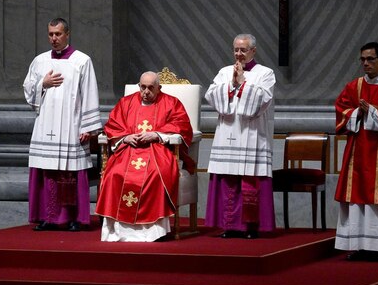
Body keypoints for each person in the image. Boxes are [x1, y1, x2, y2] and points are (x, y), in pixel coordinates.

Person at [23, 17, 102, 232]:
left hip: (71, 125)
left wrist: (87, 127)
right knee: (47, 172)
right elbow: (28, 92)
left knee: (70, 173)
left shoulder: (81, 61)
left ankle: (75, 218)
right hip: (45, 124)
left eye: (58, 34)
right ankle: (48, 217)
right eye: (50, 34)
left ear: (67, 34)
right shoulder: (39, 61)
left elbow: (90, 94)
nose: (54, 38)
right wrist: (43, 84)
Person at [96, 71, 194, 242]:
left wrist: (156, 134)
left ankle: (153, 231)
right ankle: (120, 232)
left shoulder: (171, 103)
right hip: (128, 149)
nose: (146, 92)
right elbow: (113, 124)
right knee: (114, 174)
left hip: (157, 150)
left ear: (159, 88)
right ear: (138, 86)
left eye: (150, 88)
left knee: (155, 175)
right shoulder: (126, 102)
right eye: (143, 87)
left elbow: (182, 126)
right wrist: (125, 137)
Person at [205, 34, 276, 239]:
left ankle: (250, 226)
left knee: (249, 179)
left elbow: (262, 101)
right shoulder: (225, 72)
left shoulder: (266, 73)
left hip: (251, 134)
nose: (238, 53)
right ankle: (229, 225)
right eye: (236, 49)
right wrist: (231, 85)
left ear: (253, 51)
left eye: (243, 50)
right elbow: (212, 94)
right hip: (227, 131)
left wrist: (243, 82)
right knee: (228, 180)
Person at [335, 41, 378, 262]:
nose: (366, 63)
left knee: (377, 199)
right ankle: (358, 245)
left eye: (370, 59)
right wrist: (356, 114)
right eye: (362, 59)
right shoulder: (354, 86)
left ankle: (377, 247)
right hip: (357, 153)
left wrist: (374, 113)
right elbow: (341, 109)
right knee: (356, 198)